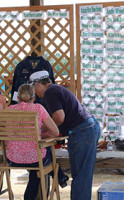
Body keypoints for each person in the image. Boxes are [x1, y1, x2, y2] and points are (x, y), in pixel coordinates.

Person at [29, 71, 101, 200]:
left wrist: (44, 127)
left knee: (80, 176)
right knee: (83, 175)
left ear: (38, 84)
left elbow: (59, 118)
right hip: (87, 128)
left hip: (82, 131)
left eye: (34, 88)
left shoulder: (50, 92)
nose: (35, 93)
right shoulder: (56, 89)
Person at [6, 83, 69, 200]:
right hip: (34, 159)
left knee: (37, 166)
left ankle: (60, 177)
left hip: (12, 159)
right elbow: (55, 132)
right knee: (41, 161)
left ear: (18, 98)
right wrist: (41, 135)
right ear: (34, 98)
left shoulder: (9, 110)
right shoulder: (38, 108)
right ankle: (60, 177)